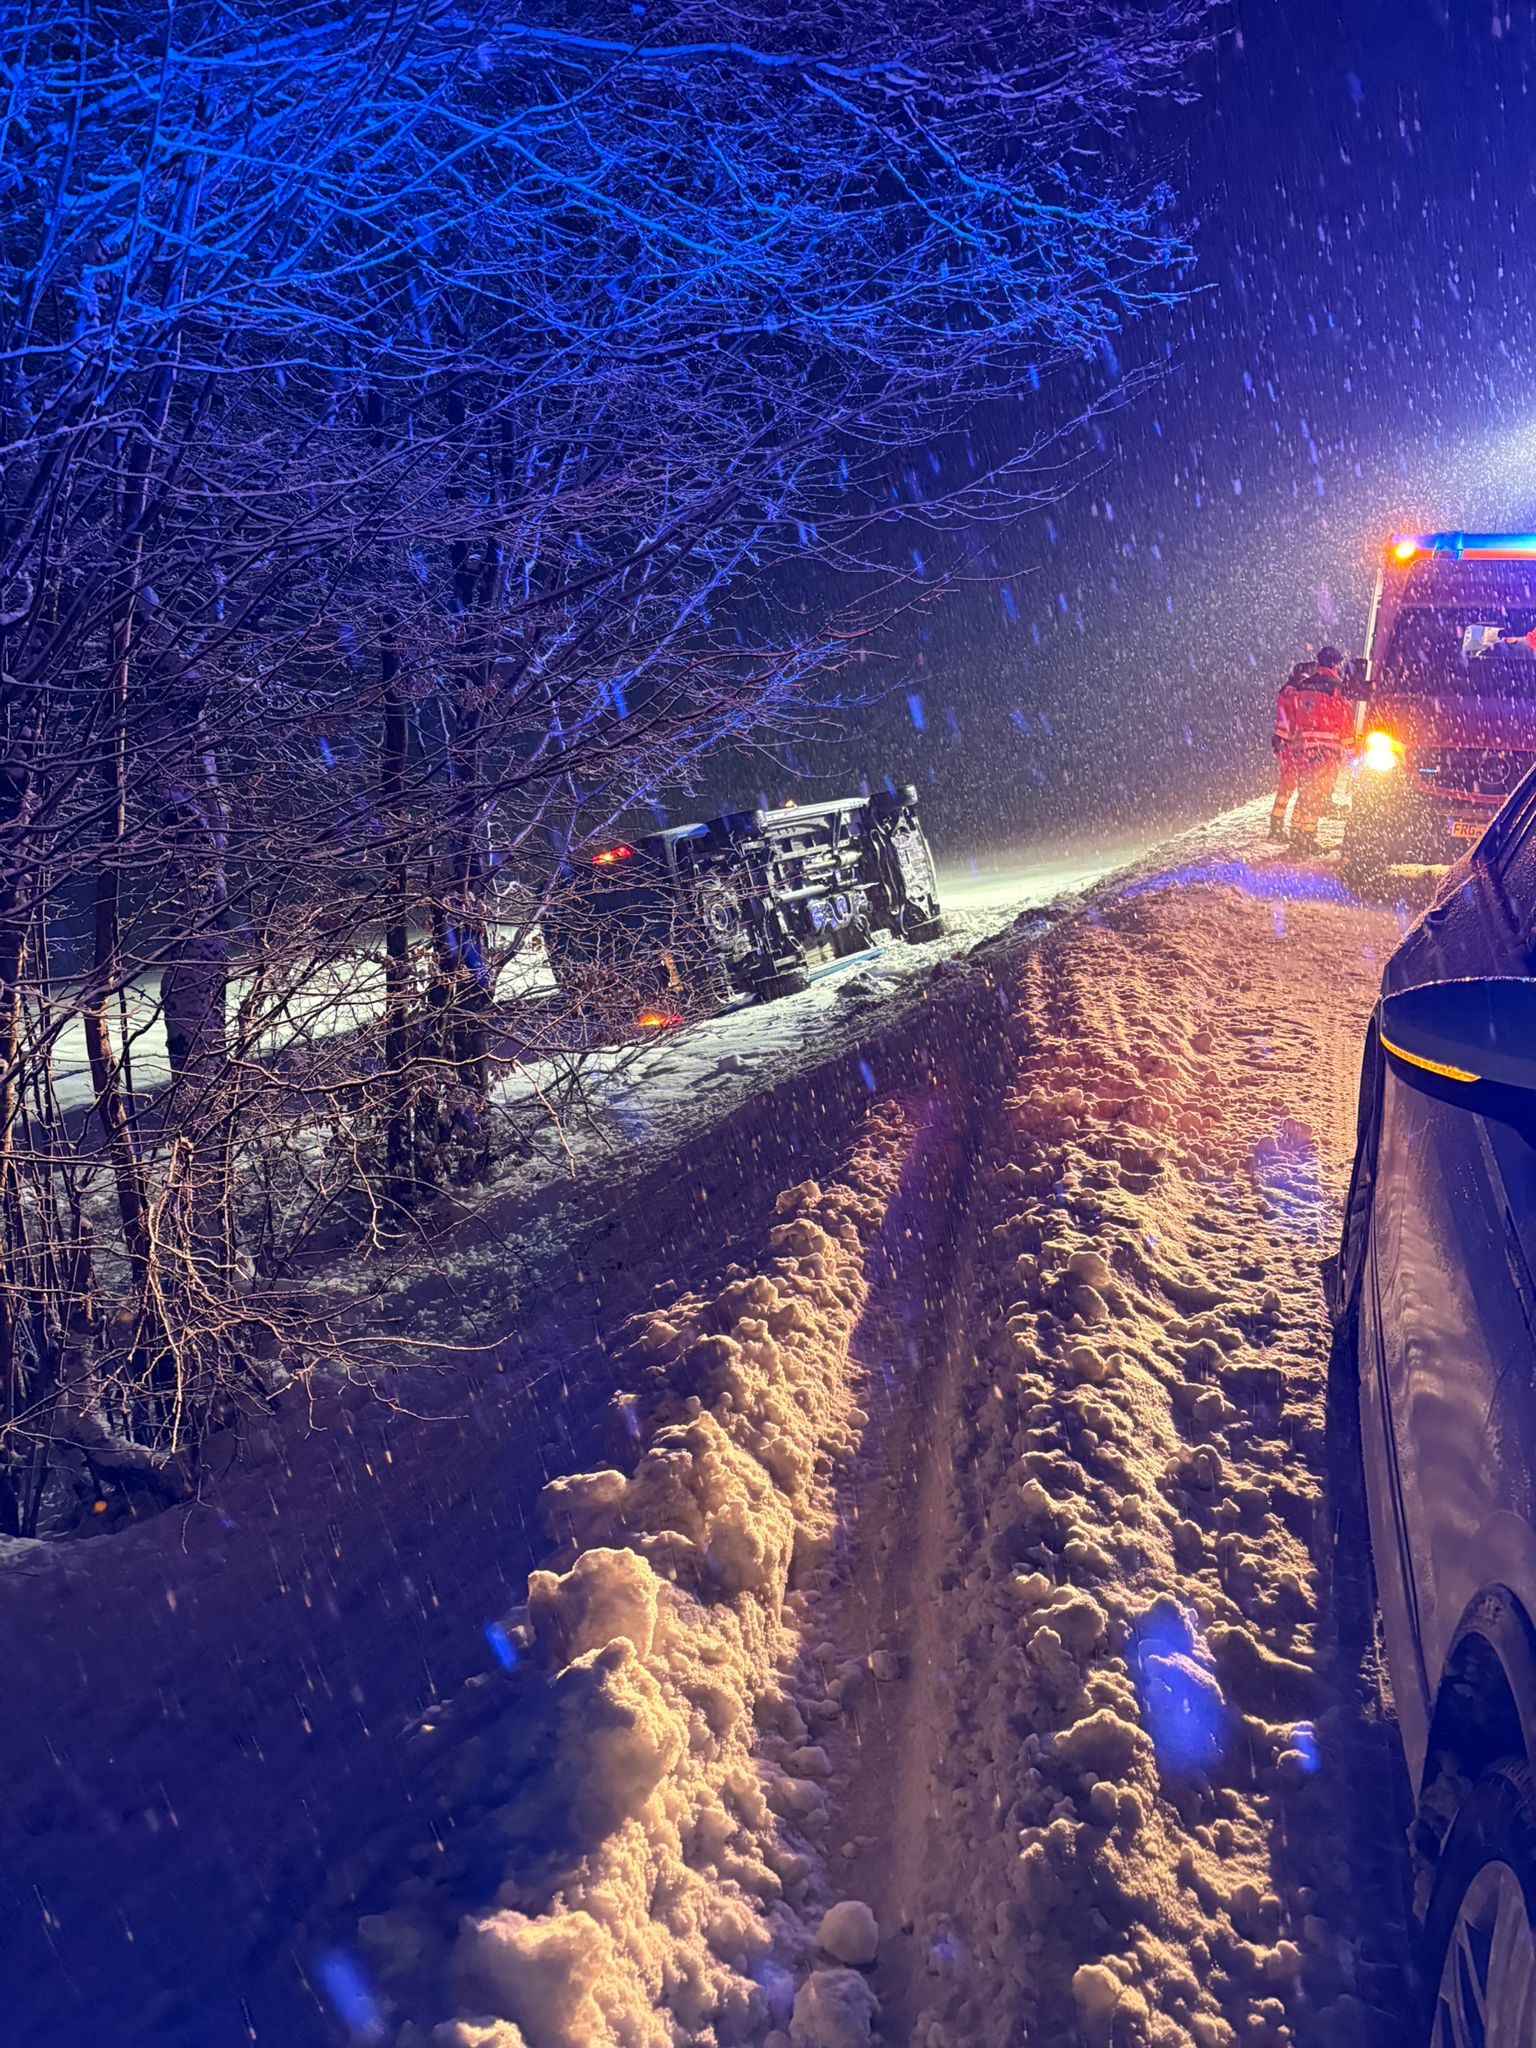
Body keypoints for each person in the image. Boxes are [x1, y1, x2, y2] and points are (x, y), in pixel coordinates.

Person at [1269, 646, 1354, 853]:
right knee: (1318, 795)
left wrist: (1287, 740)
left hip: (1302, 749)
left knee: (1305, 792)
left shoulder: (1302, 687)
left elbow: (1292, 717)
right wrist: (1351, 749)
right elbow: (1344, 721)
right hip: (1326, 751)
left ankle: (1297, 838)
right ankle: (1307, 838)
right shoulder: (1337, 688)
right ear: (1336, 664)